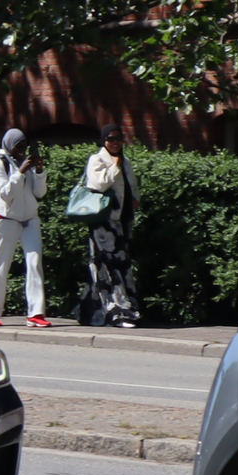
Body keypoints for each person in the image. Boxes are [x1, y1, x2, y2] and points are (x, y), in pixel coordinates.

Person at [0, 128, 48, 327]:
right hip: (6, 219)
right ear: (9, 146)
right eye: (18, 147)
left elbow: (40, 193)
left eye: (24, 147)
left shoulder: (27, 164)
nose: (22, 150)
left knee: (34, 263)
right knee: (0, 264)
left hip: (30, 219)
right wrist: (19, 172)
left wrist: (40, 172)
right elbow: (5, 195)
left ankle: (36, 313)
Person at [78, 123, 139, 327]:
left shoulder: (125, 161)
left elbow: (130, 185)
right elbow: (98, 184)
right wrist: (114, 166)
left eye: (118, 139)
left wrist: (135, 199)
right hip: (102, 222)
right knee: (110, 267)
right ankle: (118, 312)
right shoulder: (97, 160)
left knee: (117, 265)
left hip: (121, 221)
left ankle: (94, 312)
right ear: (103, 141)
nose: (114, 143)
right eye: (110, 139)